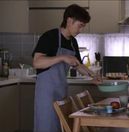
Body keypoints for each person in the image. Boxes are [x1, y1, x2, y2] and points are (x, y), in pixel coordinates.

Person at [32, 4, 101, 132]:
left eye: (83, 26)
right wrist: (62, 58)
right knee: (46, 127)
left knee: (61, 127)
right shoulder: (50, 37)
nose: (81, 30)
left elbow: (78, 65)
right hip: (46, 95)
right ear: (69, 20)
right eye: (80, 25)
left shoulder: (72, 42)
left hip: (61, 93)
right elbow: (37, 62)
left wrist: (92, 76)